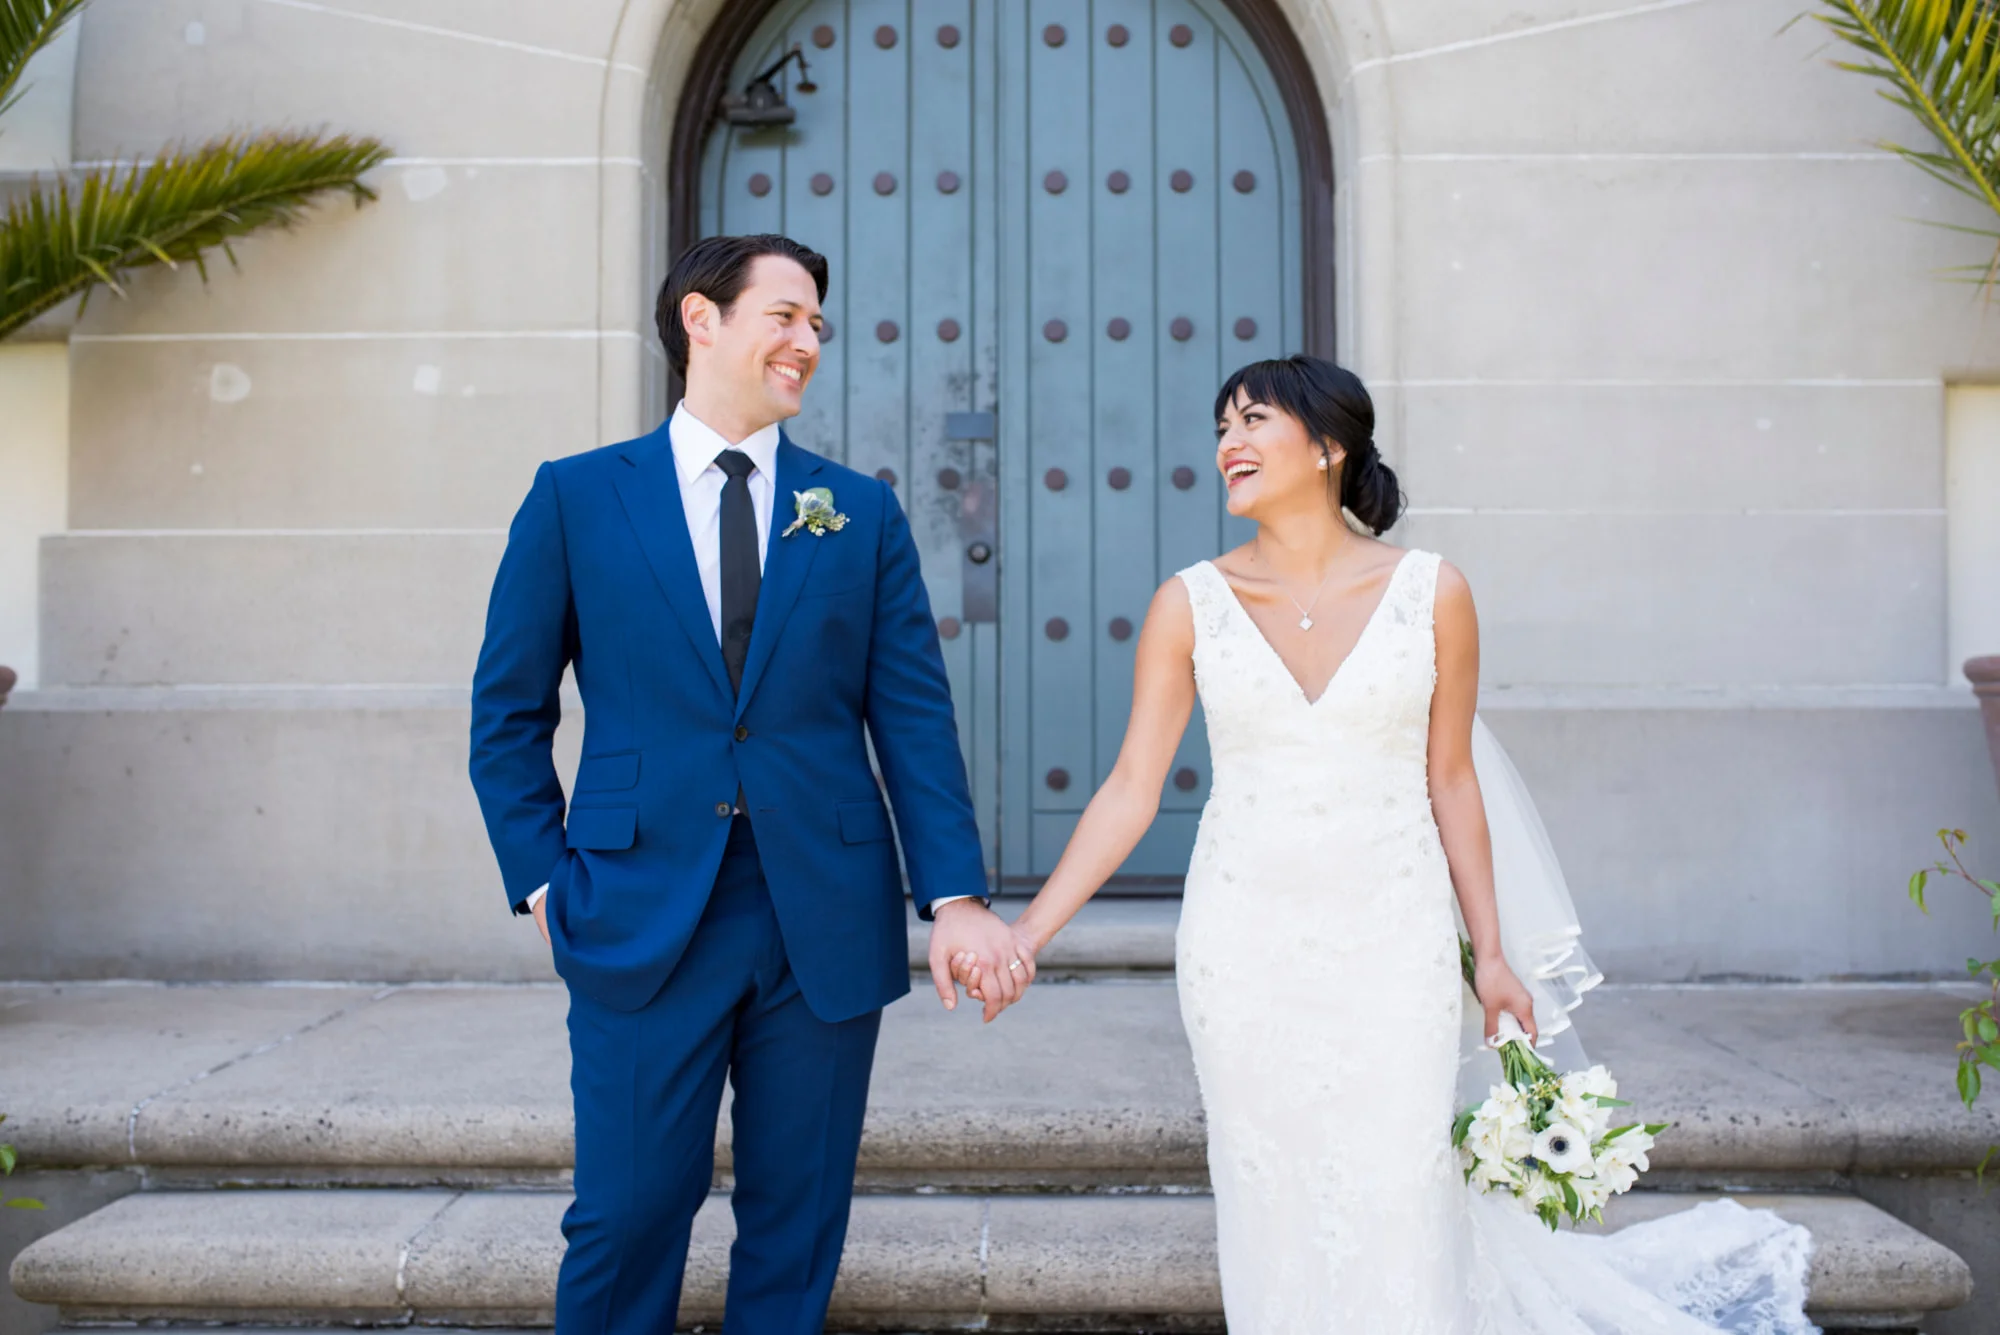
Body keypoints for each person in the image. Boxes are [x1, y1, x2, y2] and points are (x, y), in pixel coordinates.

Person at [973, 355, 1816, 1334]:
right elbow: (1129, 787)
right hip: (1241, 943)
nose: (1226, 445)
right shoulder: (1187, 603)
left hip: (1392, 936)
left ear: (1328, 446)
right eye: (1220, 428)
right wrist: (1026, 933)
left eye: (1252, 422)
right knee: (1268, 1184)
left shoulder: (1431, 592)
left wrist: (1490, 956)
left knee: (1397, 1183)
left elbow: (1450, 780)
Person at [468, 233, 1028, 1335]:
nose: (807, 341)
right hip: (635, 908)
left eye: (817, 323)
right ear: (699, 319)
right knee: (626, 1217)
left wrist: (953, 895)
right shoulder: (576, 498)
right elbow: (507, 715)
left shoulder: (854, 513)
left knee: (796, 1223)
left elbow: (912, 719)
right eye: (785, 315)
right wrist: (541, 880)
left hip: (819, 911)